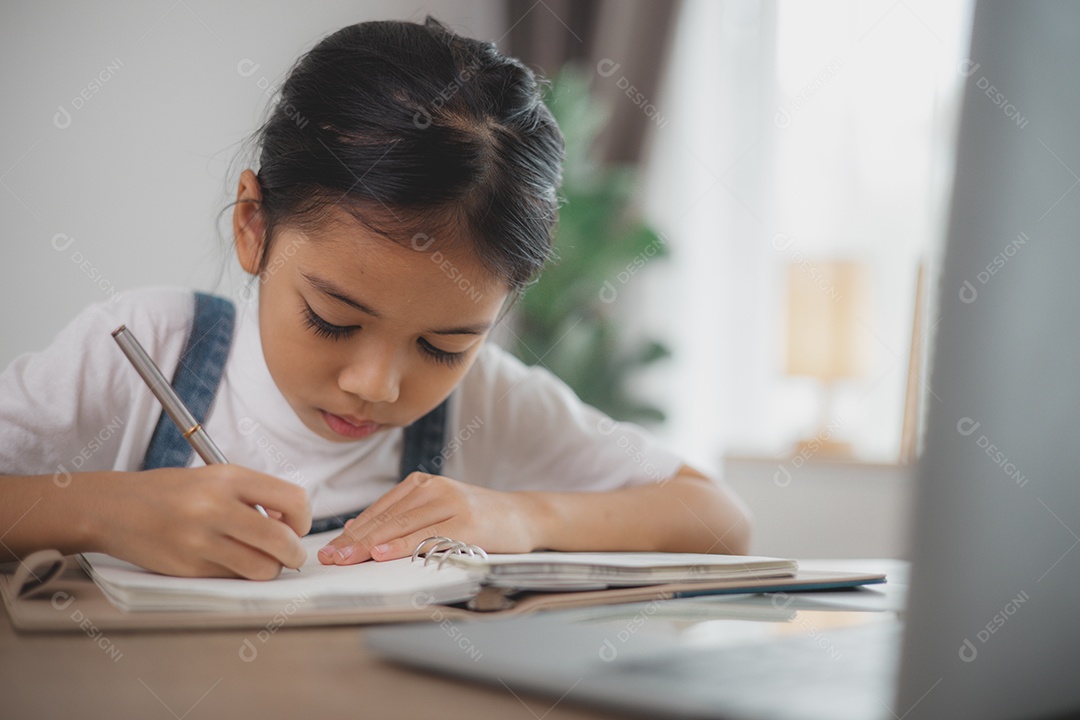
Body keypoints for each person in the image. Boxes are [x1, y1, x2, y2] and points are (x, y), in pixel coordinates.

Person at [0, 18, 750, 580]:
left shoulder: (488, 403)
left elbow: (720, 521)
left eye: (443, 346)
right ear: (254, 226)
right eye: (333, 319)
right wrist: (97, 510)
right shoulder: (148, 346)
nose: (376, 385)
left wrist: (521, 514)